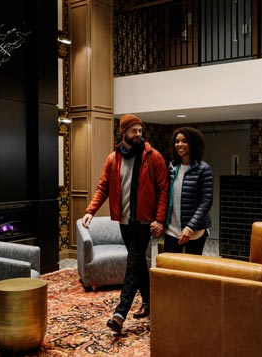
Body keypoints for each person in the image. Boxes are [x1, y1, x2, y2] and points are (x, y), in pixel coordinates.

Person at [81, 114, 169, 333]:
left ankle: (120, 313)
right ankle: (149, 303)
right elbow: (103, 187)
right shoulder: (113, 159)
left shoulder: (153, 157)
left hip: (144, 222)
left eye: (140, 130)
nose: (138, 134)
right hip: (124, 221)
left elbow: (163, 189)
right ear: (123, 133)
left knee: (133, 261)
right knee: (138, 264)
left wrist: (159, 219)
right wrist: (91, 210)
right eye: (134, 131)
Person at [164, 126, 213, 255]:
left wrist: (190, 227)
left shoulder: (204, 169)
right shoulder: (171, 167)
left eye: (184, 141)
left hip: (195, 230)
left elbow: (206, 202)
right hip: (172, 229)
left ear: (193, 143)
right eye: (176, 141)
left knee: (190, 271)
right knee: (171, 269)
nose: (179, 144)